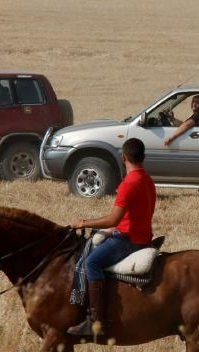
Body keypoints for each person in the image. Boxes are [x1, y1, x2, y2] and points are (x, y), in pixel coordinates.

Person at [67, 138, 156, 336]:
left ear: (123, 158)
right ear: (143, 157)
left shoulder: (128, 184)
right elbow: (136, 215)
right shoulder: (148, 179)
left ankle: (96, 322)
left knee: (91, 263)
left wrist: (83, 223)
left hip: (128, 241)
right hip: (142, 237)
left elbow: (113, 218)